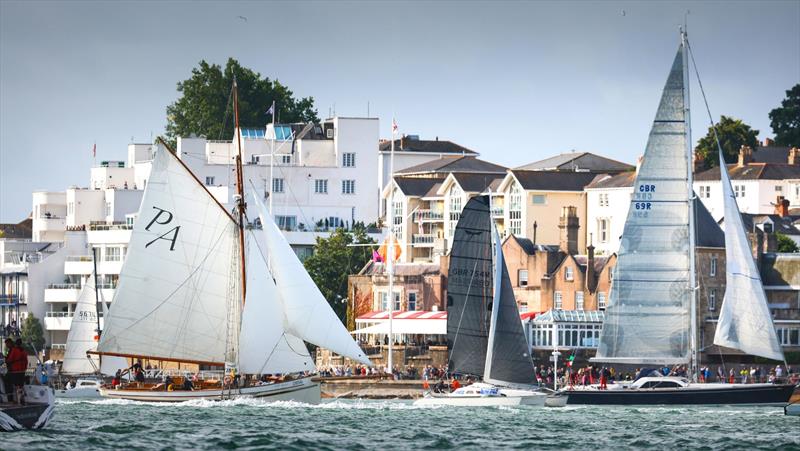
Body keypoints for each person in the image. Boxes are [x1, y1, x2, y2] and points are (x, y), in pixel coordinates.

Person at [5, 338, 27, 404]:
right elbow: (26, 361)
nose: (6, 346)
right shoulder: (24, 351)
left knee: (7, 381)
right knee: (20, 385)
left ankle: (10, 399)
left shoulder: (14, 350)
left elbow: (9, 360)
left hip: (14, 371)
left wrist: (5, 359)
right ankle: (21, 399)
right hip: (22, 371)